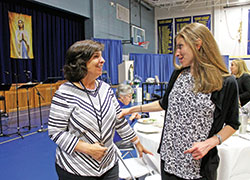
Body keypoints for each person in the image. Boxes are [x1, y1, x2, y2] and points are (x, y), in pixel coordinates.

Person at [119, 23, 240, 180]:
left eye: (180, 47)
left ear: (197, 44)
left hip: (199, 167)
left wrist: (209, 143)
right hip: (169, 162)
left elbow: (233, 124)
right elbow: (164, 104)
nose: (177, 53)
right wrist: (132, 109)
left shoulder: (225, 82)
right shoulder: (179, 74)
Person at [48, 40, 152, 180]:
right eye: (96, 56)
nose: (102, 60)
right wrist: (87, 148)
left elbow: (119, 120)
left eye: (101, 56)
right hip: (76, 169)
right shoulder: (64, 93)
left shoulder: (105, 89)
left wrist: (137, 142)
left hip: (109, 165)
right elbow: (56, 132)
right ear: (81, 62)